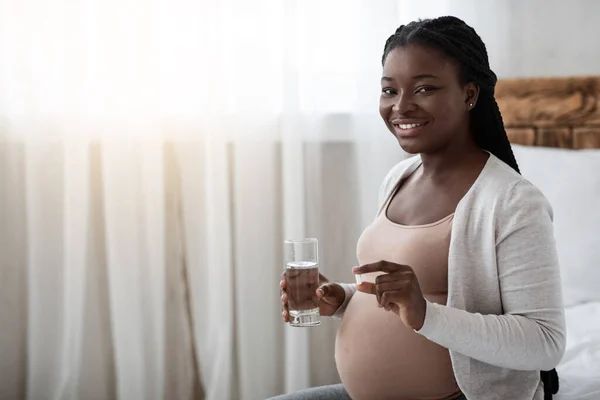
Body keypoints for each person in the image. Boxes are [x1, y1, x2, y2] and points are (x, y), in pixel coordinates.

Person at [273, 16, 566, 400]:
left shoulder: (512, 202)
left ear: (469, 95)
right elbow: (403, 299)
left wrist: (426, 314)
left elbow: (545, 342)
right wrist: (343, 298)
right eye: (389, 90)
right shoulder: (398, 177)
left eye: (424, 88)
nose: (401, 106)